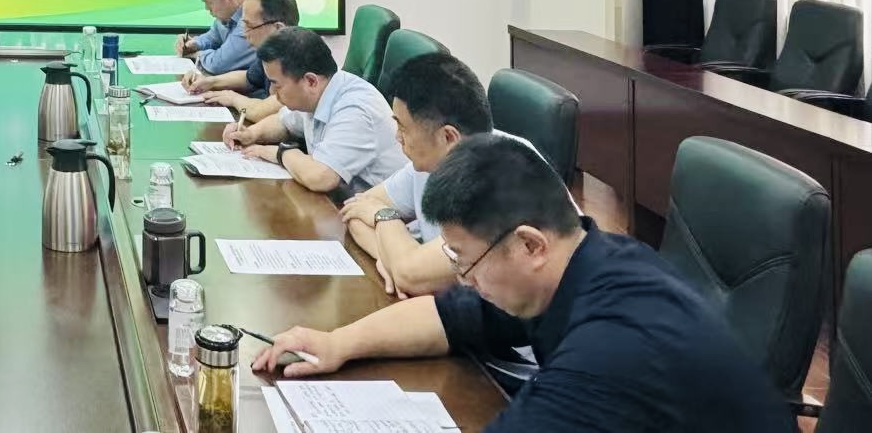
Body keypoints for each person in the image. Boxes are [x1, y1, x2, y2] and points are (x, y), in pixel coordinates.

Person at [254, 135, 794, 433]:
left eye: (465, 260)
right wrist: (338, 343)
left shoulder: (612, 347)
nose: (461, 277)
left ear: (530, 244)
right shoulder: (580, 261)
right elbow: (449, 315)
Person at [337, 52, 495, 297]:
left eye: (403, 128)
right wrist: (389, 260)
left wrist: (384, 218)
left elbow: (410, 276)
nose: (397, 137)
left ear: (448, 137)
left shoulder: (498, 184)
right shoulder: (433, 160)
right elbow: (355, 210)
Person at [226, 26, 406, 194]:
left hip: (380, 213)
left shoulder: (354, 108)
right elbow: (284, 122)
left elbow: (321, 177)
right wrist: (251, 133)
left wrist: (280, 153)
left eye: (276, 84)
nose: (272, 92)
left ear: (311, 81)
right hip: (345, 203)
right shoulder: (320, 91)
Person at [189, 0, 297, 112]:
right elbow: (249, 78)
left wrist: (233, 98)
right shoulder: (270, 53)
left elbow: (267, 110)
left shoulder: (299, 61)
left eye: (250, 26)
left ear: (278, 29)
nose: (245, 34)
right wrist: (210, 82)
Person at [174, 0, 255, 76]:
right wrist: (194, 44)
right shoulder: (228, 14)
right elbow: (213, 37)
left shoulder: (254, 18)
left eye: (208, 2)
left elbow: (220, 64)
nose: (207, 8)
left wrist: (197, 55)